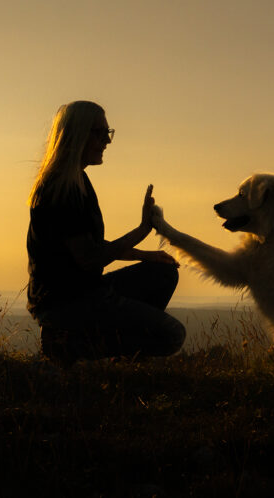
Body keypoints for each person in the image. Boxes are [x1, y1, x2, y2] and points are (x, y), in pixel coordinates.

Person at [26, 100, 186, 365]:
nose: (107, 141)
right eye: (100, 133)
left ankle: (117, 355)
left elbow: (91, 246)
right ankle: (67, 345)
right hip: (65, 303)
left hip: (85, 290)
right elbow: (89, 257)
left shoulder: (78, 181)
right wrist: (142, 230)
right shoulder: (60, 189)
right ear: (78, 135)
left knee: (163, 273)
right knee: (172, 335)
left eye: (108, 133)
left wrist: (145, 255)